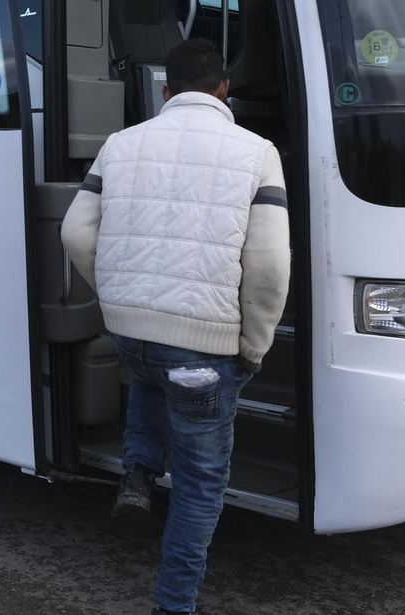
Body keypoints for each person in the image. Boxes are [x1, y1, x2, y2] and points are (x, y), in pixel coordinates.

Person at [60, 38, 291, 615]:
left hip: (132, 336)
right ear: (223, 90)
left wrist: (116, 295)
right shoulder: (258, 152)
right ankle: (174, 604)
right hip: (204, 350)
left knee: (152, 371)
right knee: (199, 487)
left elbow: (73, 232)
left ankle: (138, 469)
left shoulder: (119, 144)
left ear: (165, 92)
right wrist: (253, 347)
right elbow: (268, 267)